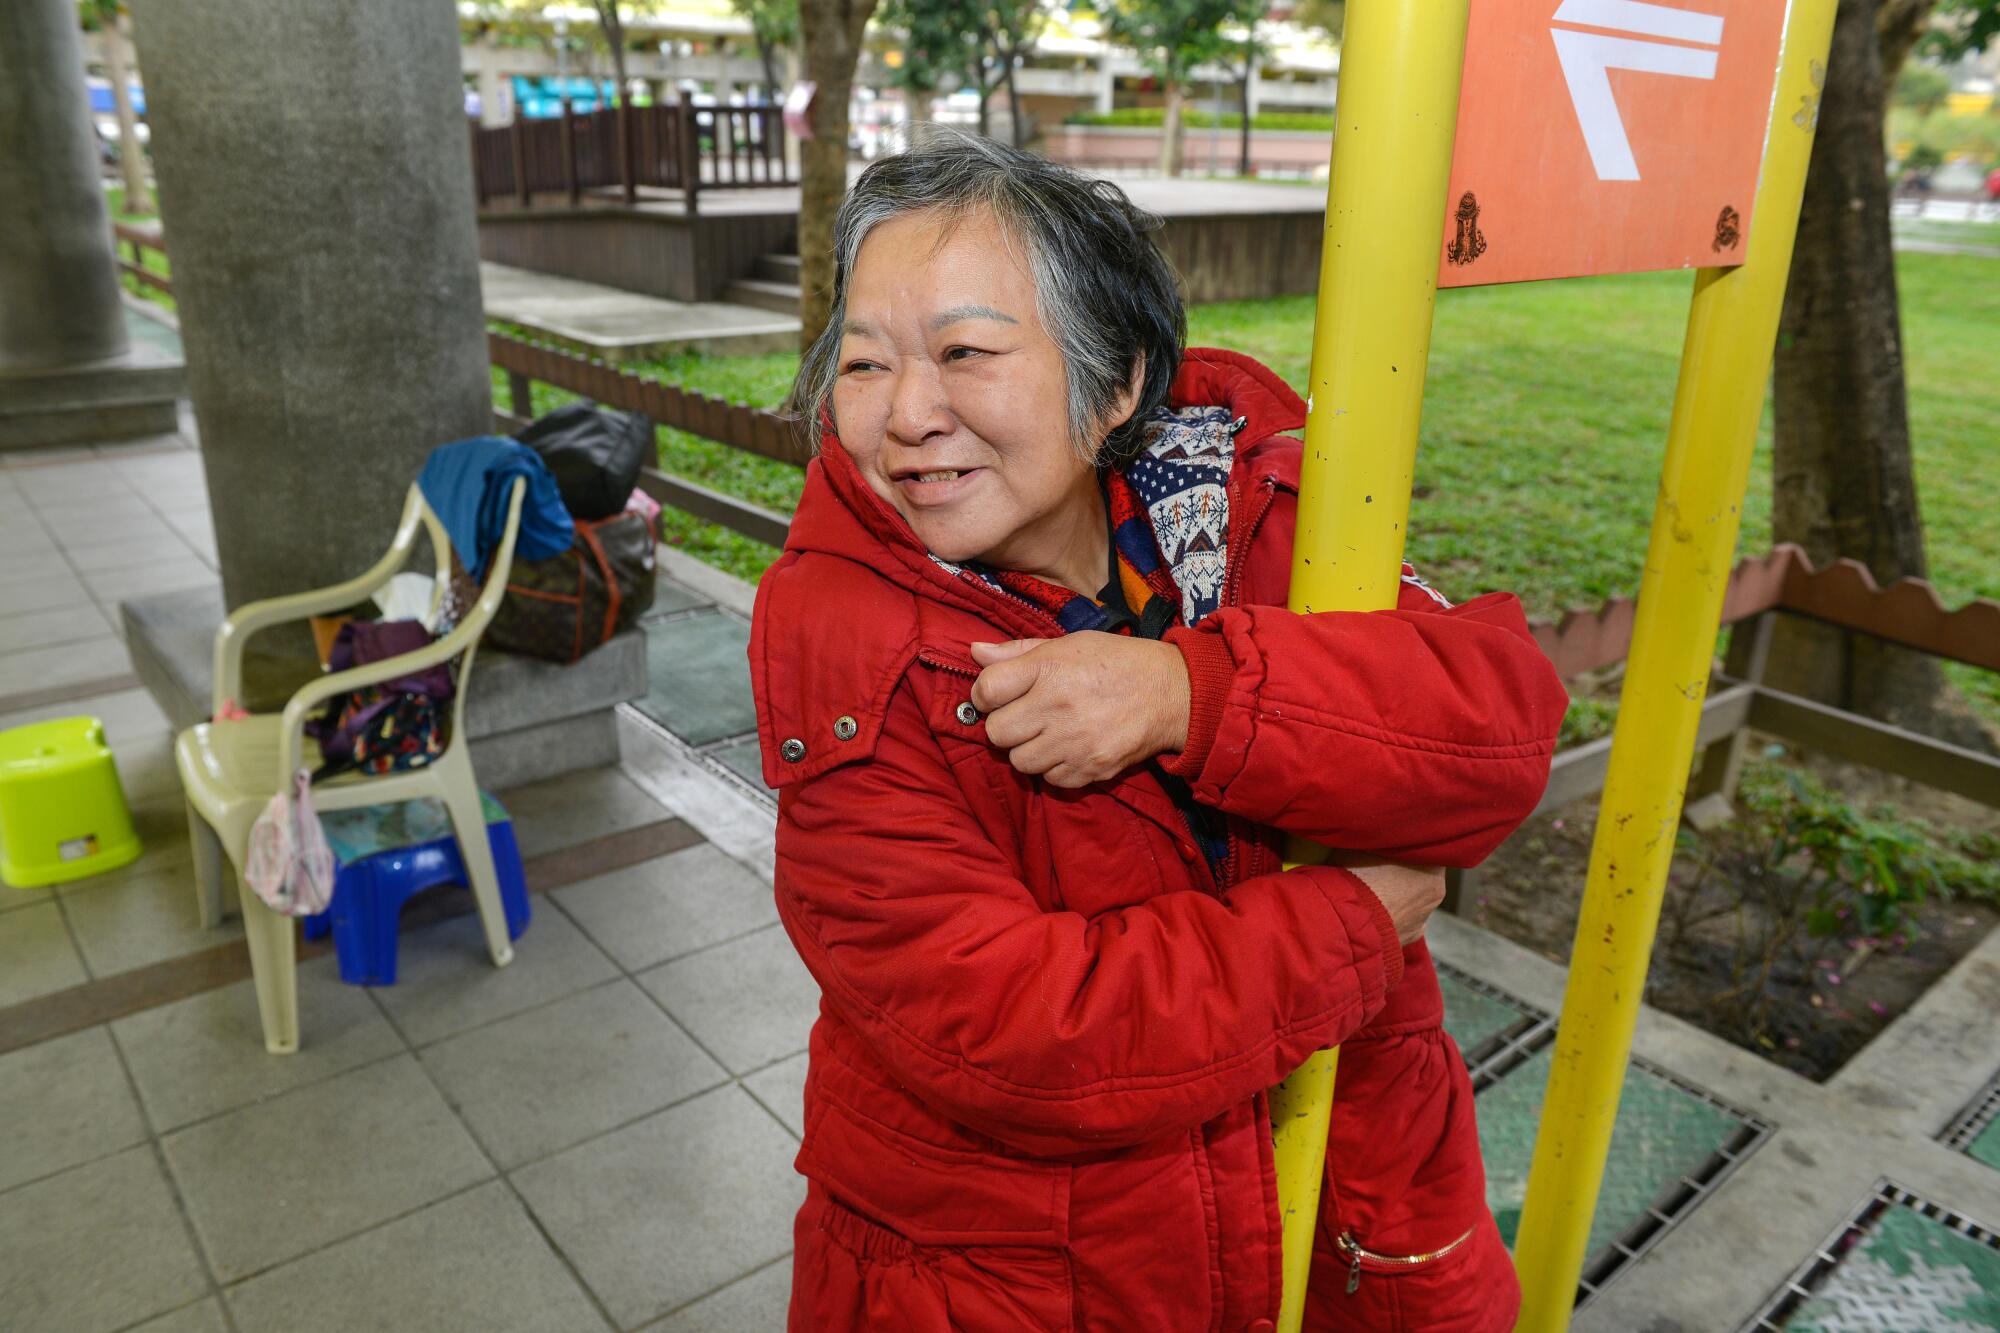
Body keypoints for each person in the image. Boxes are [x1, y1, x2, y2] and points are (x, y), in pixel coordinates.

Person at [750, 133, 1569, 1332]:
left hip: (1349, 1198)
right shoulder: (836, 638)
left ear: (1116, 383)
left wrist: (1191, 695)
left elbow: (1495, 730)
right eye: (865, 364)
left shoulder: (1243, 505)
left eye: (966, 351)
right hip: (1023, 1269)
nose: (908, 415)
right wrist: (1347, 920)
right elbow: (1018, 1032)